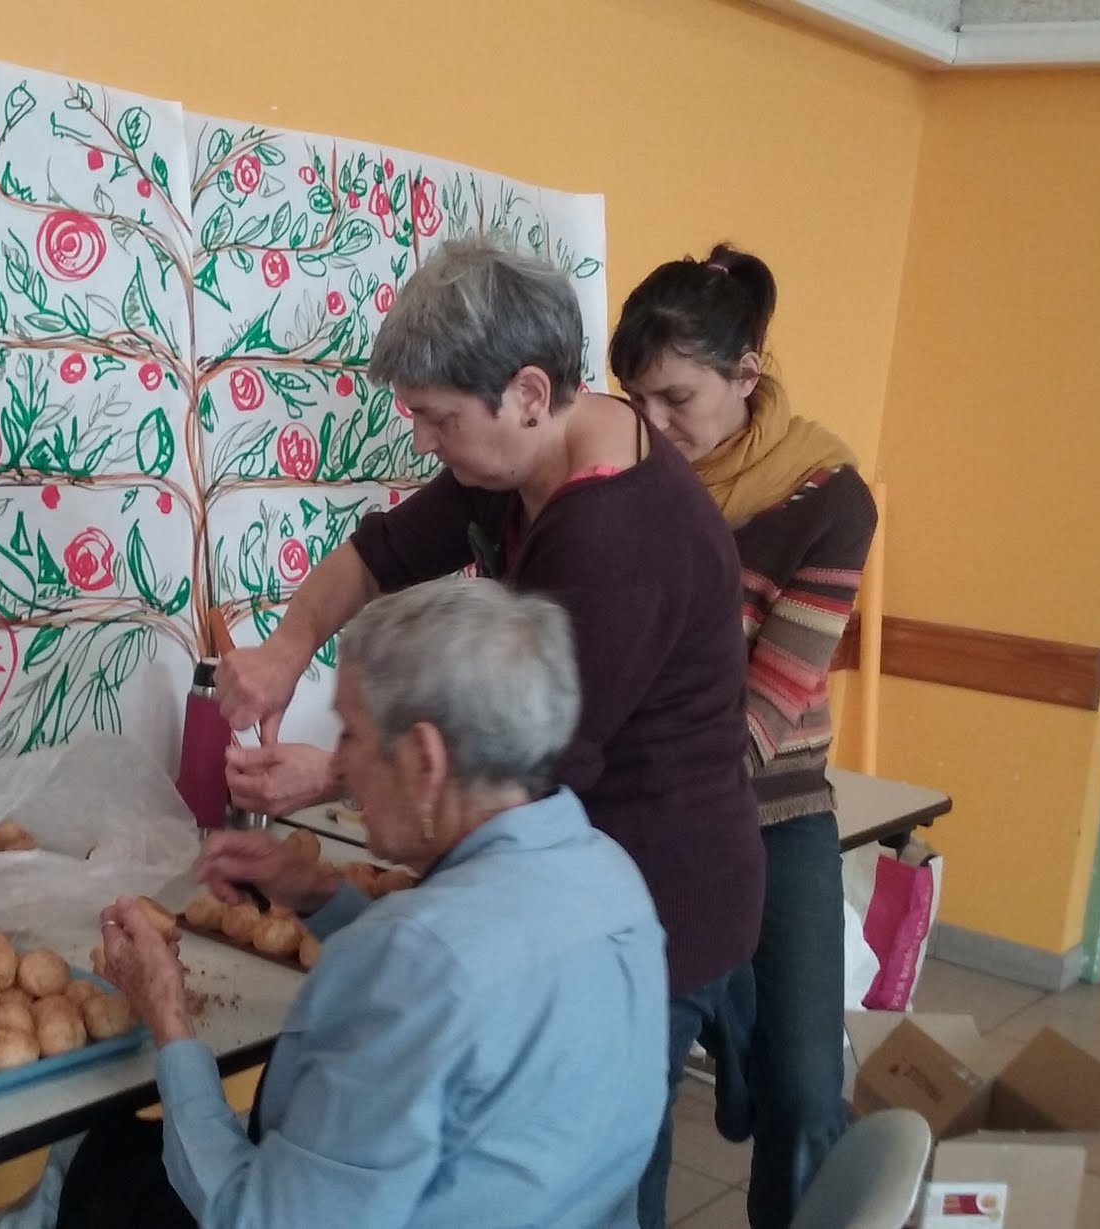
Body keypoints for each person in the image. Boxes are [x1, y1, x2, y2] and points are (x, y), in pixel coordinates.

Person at [215, 236, 764, 1228]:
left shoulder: (613, 537)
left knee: (589, 1175)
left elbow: (522, 759)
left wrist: (333, 771)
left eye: (437, 417)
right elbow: (381, 552)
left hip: (654, 886)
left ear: (525, 392)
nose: (425, 441)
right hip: (562, 867)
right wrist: (287, 647)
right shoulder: (525, 448)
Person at [0, 576, 667, 1228]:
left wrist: (168, 1016)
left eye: (351, 735)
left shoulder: (415, 960)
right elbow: (468, 980)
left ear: (424, 760)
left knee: (91, 1156)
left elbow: (254, 1217)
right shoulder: (611, 878)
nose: (338, 767)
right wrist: (320, 895)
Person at [609, 244, 877, 1229]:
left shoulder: (827, 495)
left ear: (745, 375)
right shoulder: (625, 482)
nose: (652, 424)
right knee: (631, 1095)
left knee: (804, 1089)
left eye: (675, 397)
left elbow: (768, 706)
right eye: (634, 398)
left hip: (771, 808)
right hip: (649, 818)